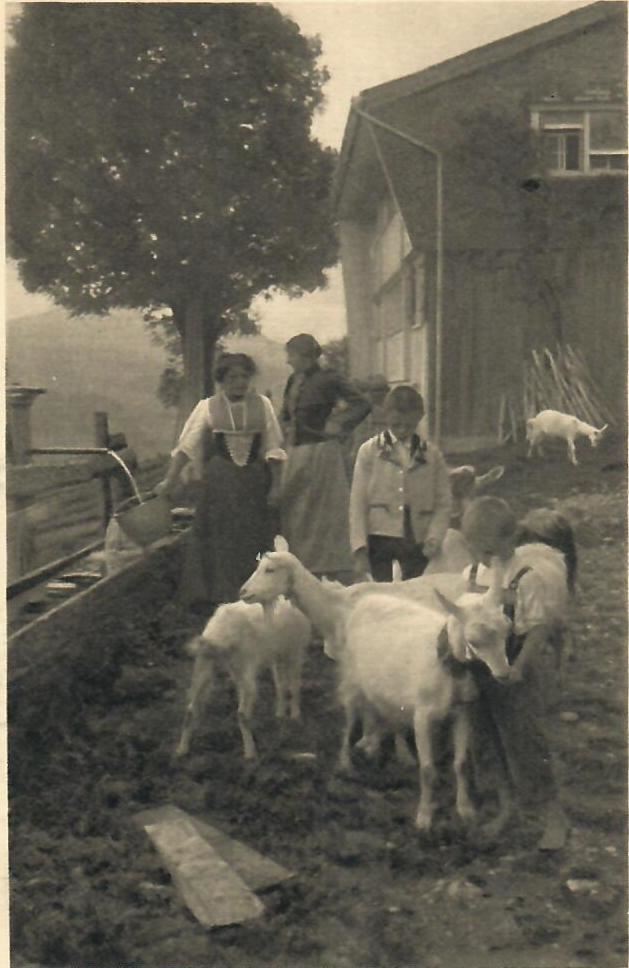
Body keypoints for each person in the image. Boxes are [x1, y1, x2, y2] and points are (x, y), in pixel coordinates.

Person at [460, 495, 569, 851]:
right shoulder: (472, 574)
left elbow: (538, 628)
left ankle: (553, 816)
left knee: (524, 742)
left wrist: (520, 666)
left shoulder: (526, 577)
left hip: (516, 668)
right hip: (479, 671)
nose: (483, 558)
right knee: (485, 741)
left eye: (490, 550)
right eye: (476, 550)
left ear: (510, 540)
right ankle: (506, 806)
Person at [156, 352, 286, 607]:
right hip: (221, 481)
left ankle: (255, 594)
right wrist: (169, 481)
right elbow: (186, 448)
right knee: (221, 537)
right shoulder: (207, 406)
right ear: (222, 380)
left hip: (253, 481)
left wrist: (276, 487)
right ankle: (222, 595)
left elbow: (274, 448)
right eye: (232, 377)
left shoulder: (263, 405)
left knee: (253, 536)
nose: (239, 382)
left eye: (244, 376)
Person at [280, 333, 371, 579]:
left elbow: (362, 404)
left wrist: (338, 424)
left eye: (292, 355)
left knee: (321, 511)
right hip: (295, 452)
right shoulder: (293, 380)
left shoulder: (329, 379)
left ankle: (325, 568)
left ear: (306, 356)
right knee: (296, 510)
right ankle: (299, 564)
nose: (288, 361)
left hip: (322, 453)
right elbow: (285, 415)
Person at [349, 384, 451, 582]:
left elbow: (443, 501)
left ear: (419, 418)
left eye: (409, 425)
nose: (403, 430)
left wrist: (435, 536)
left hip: (417, 537)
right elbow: (357, 502)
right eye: (396, 425)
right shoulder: (369, 452)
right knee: (382, 591)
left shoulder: (432, 455)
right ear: (386, 416)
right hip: (379, 536)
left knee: (415, 588)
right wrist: (359, 547)